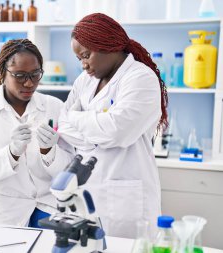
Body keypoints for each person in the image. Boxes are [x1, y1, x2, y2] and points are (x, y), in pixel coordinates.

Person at [58, 13, 168, 238]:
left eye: (86, 55)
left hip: (126, 196)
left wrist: (78, 118)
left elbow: (118, 132)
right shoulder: (85, 81)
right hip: (87, 192)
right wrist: (98, 127)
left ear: (107, 44)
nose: (84, 65)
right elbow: (62, 123)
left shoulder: (141, 78)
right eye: (79, 59)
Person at [0, 39, 73, 227]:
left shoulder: (54, 106)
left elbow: (70, 170)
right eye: (20, 75)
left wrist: (50, 152)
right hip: (2, 209)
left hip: (47, 205)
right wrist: (11, 152)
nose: (29, 83)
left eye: (35, 74)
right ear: (2, 73)